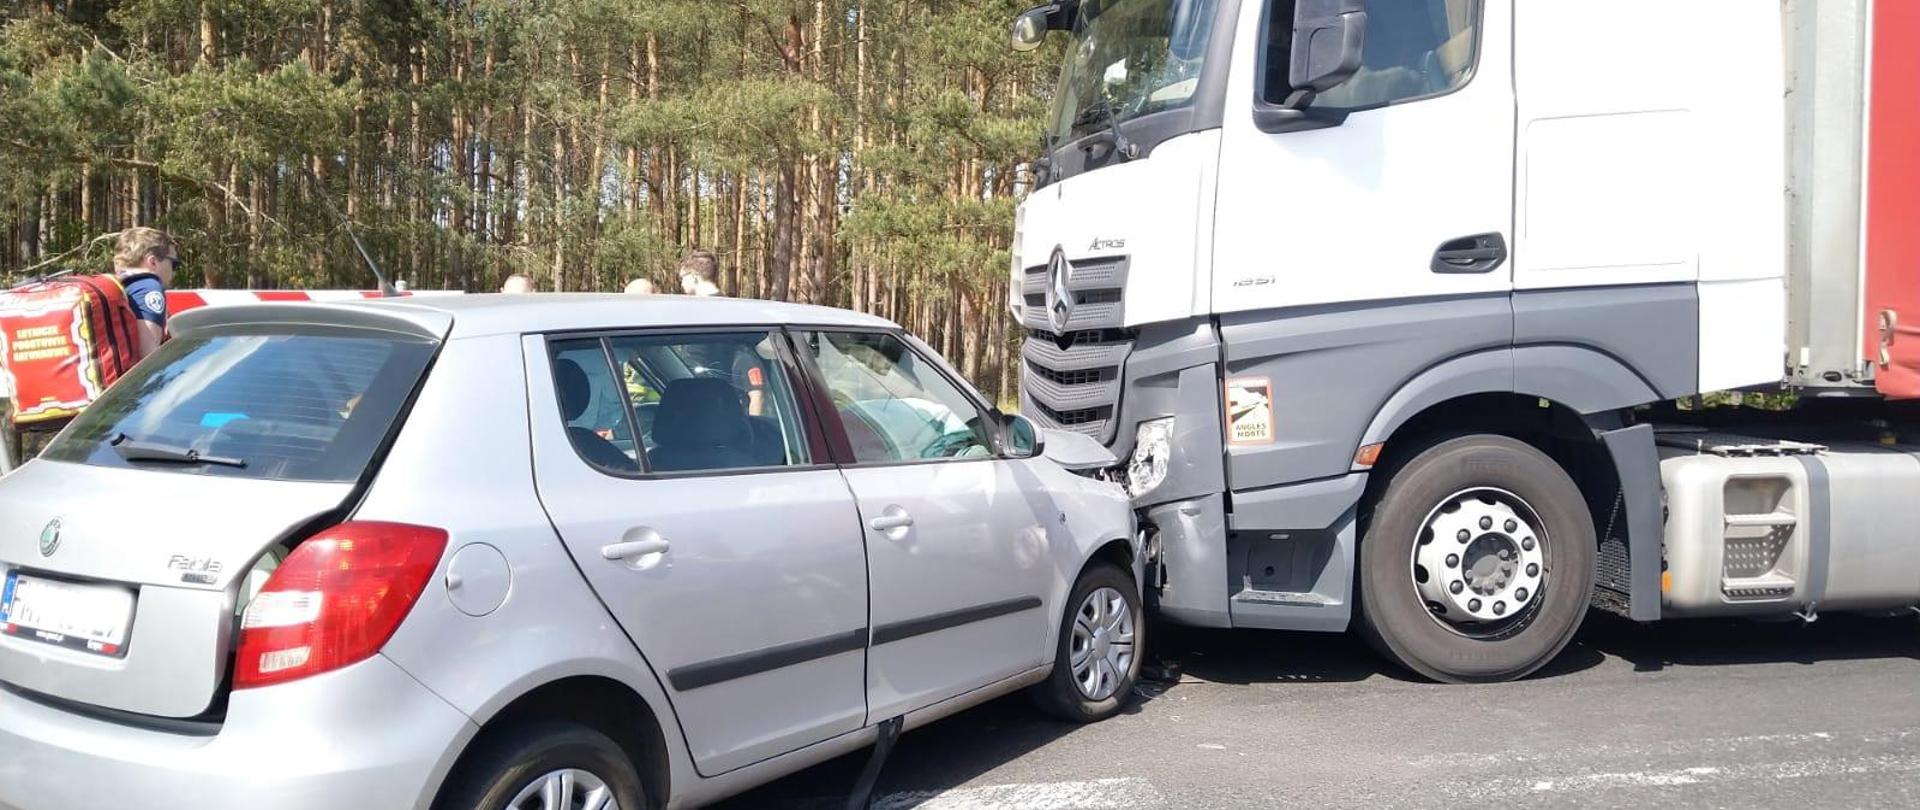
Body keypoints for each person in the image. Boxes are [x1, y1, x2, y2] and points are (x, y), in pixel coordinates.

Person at [112, 227, 179, 360]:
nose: (174, 271)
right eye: (174, 264)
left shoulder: (120, 284)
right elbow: (148, 355)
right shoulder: (149, 287)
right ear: (152, 261)